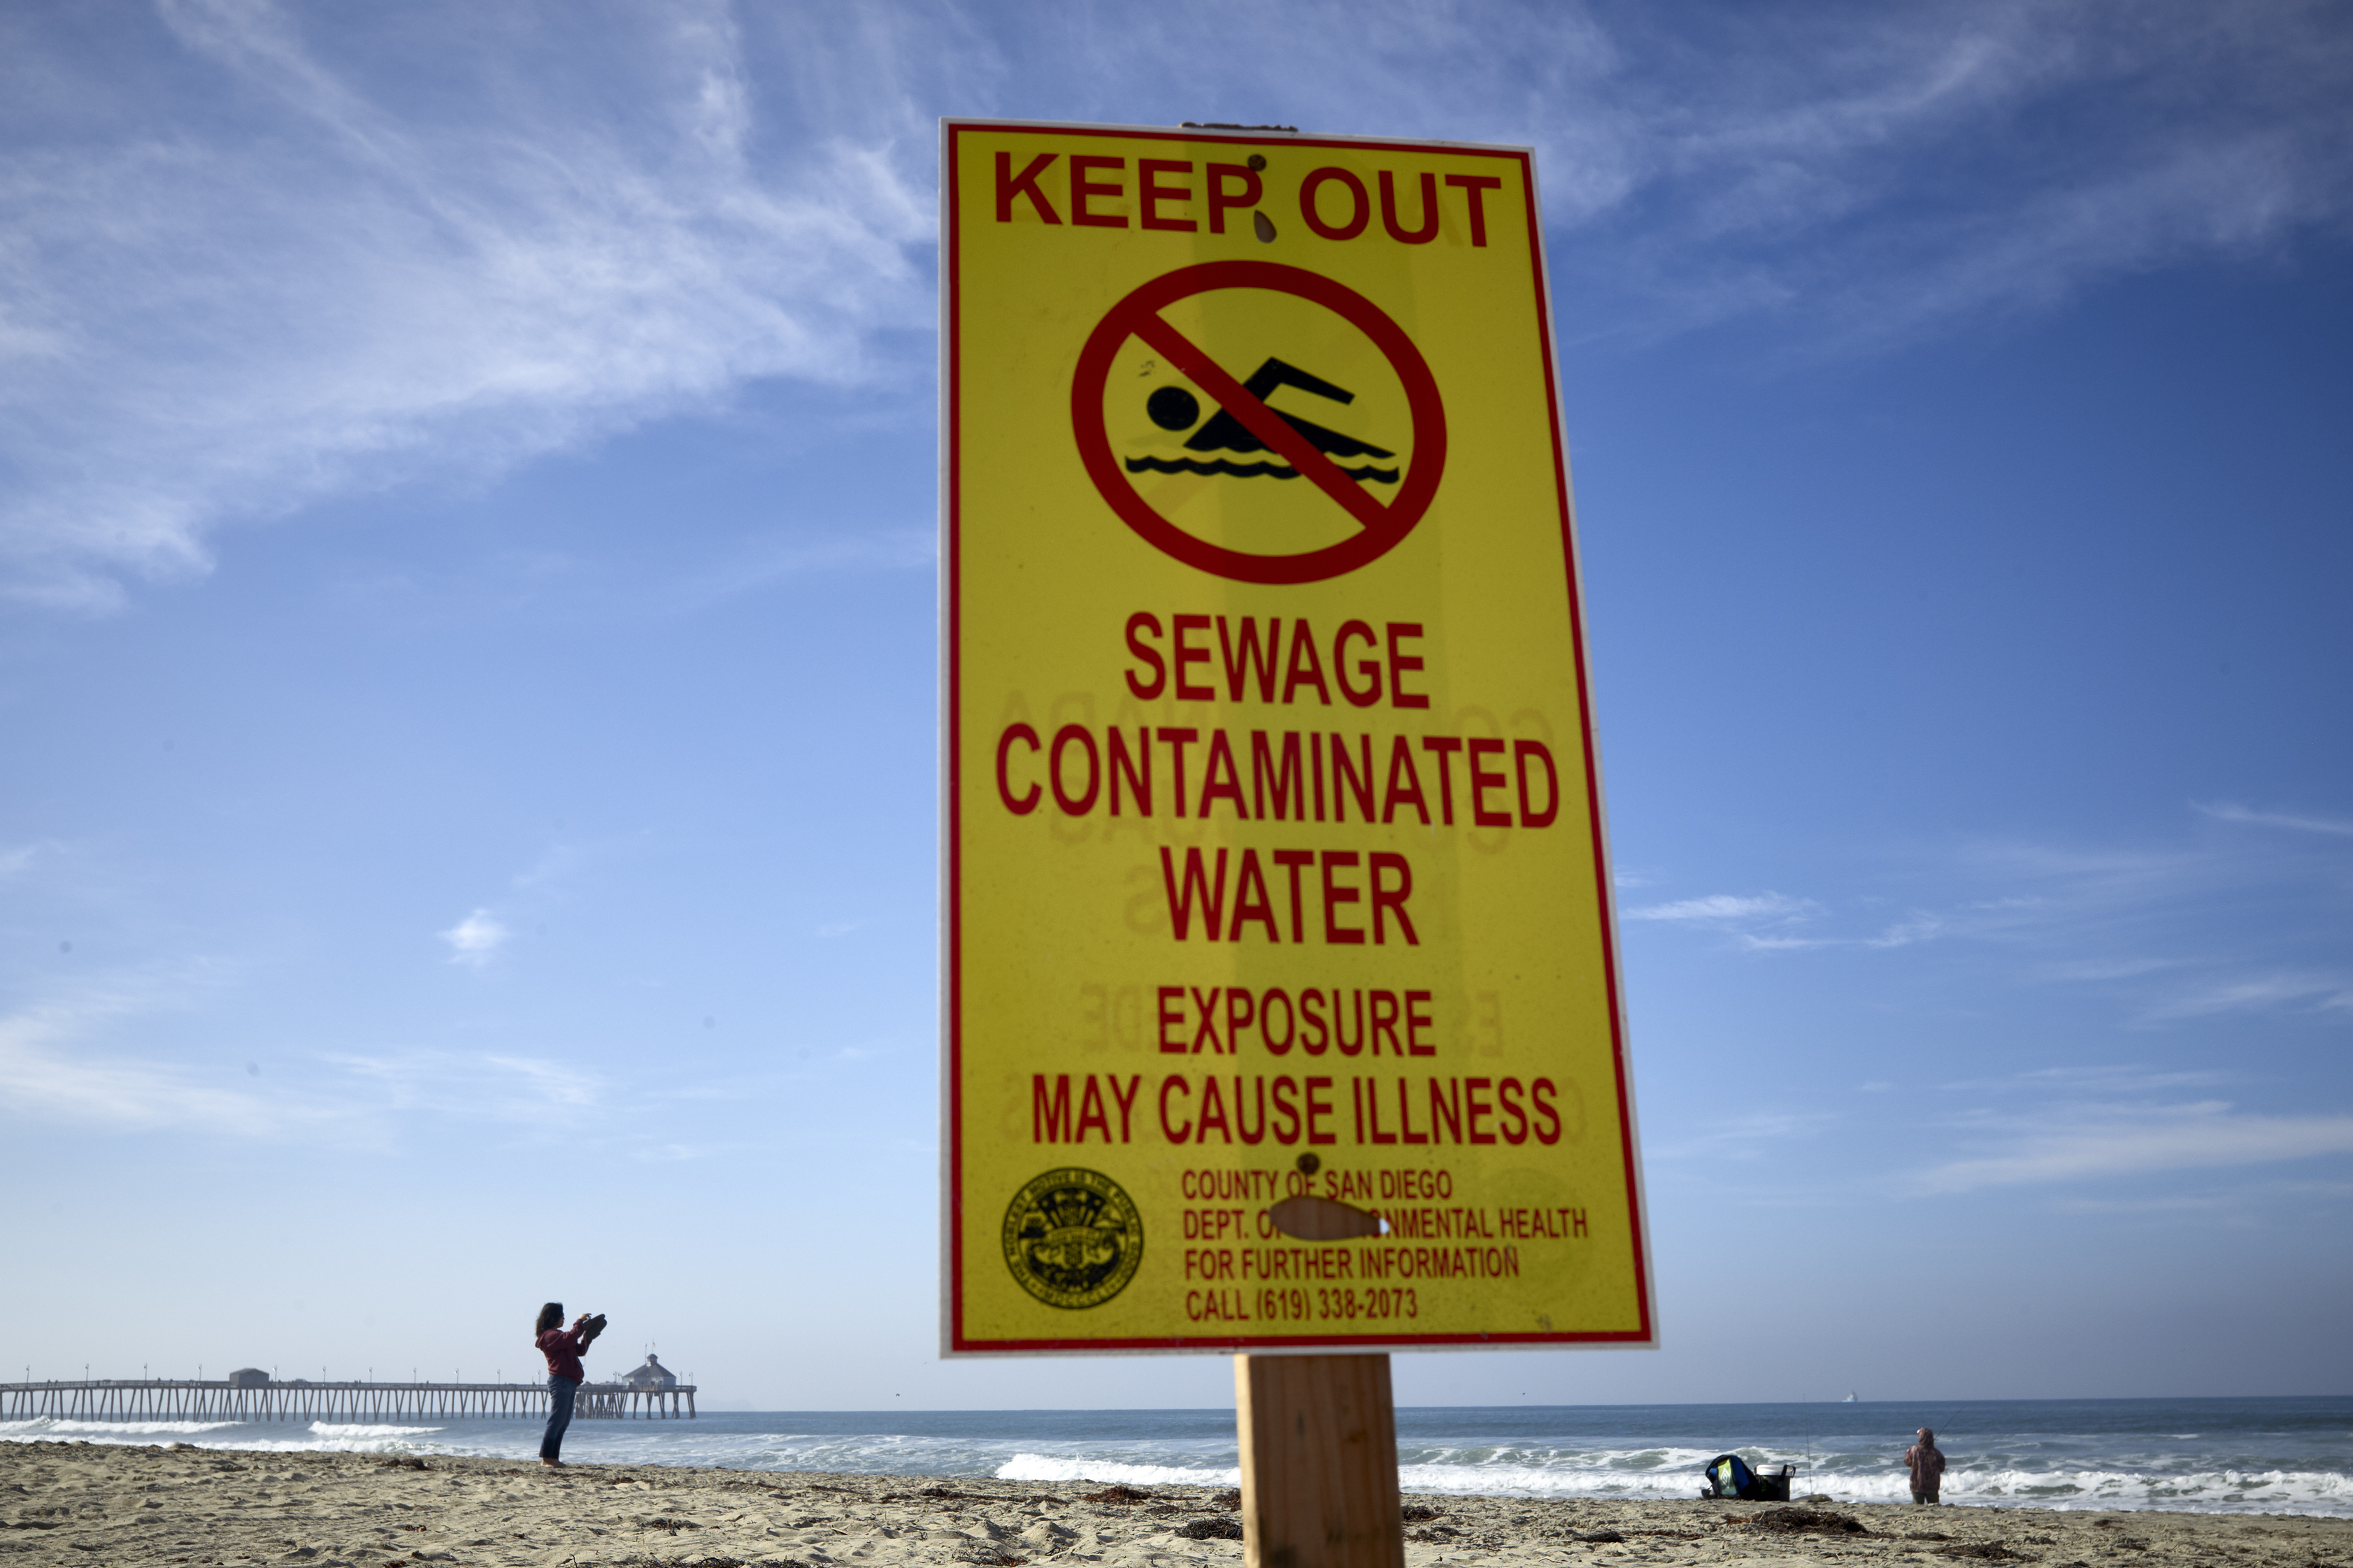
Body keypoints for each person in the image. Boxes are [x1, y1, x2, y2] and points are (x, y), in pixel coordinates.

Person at [533, 1302, 603, 1468]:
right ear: (553, 1317)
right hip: (561, 1381)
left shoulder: (559, 1337)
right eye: (561, 1315)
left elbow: (579, 1350)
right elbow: (571, 1337)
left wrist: (588, 1338)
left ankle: (553, 1458)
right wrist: (579, 1321)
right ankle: (546, 1459)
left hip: (569, 1381)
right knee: (556, 1420)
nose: (563, 1318)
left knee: (563, 1421)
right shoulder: (550, 1336)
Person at [1905, 1427, 1947, 1505]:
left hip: (1916, 1485)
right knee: (1934, 1508)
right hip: (1932, 1486)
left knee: (1918, 1507)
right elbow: (1942, 1468)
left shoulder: (1913, 1450)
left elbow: (1907, 1462)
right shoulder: (1937, 1453)